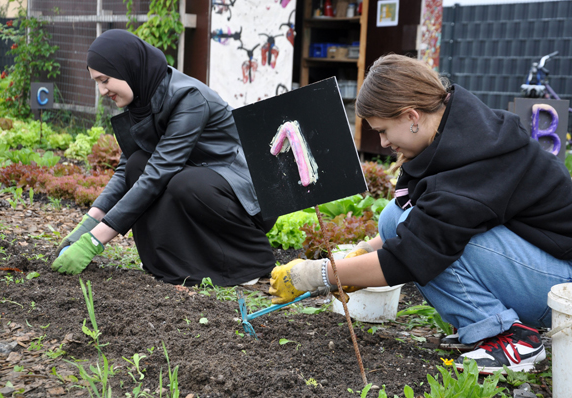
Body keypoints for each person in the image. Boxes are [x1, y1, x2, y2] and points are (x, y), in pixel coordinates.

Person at [269, 54, 572, 374]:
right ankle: (484, 326)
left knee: (431, 246)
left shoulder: (473, 163)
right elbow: (411, 227)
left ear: (412, 116)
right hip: (538, 269)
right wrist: (364, 253)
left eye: (384, 130)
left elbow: (414, 254)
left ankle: (510, 337)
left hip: (559, 290)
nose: (384, 143)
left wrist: (316, 275)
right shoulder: (459, 132)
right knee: (392, 218)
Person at [51, 29, 277, 286]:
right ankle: (174, 266)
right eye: (97, 82)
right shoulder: (140, 100)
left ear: (128, 69)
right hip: (202, 179)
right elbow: (126, 170)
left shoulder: (188, 98)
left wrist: (94, 241)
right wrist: (85, 227)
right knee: (137, 164)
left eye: (105, 80)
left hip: (244, 194)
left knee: (184, 183)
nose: (102, 91)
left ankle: (248, 264)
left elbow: (160, 172)